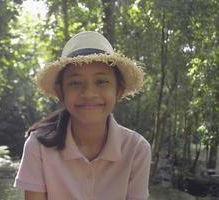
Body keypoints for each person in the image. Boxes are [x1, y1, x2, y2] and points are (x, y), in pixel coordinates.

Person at [14, 31, 151, 200]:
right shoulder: (38, 147)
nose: (89, 93)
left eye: (101, 82)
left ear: (119, 90)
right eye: (75, 83)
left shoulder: (136, 149)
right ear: (60, 92)